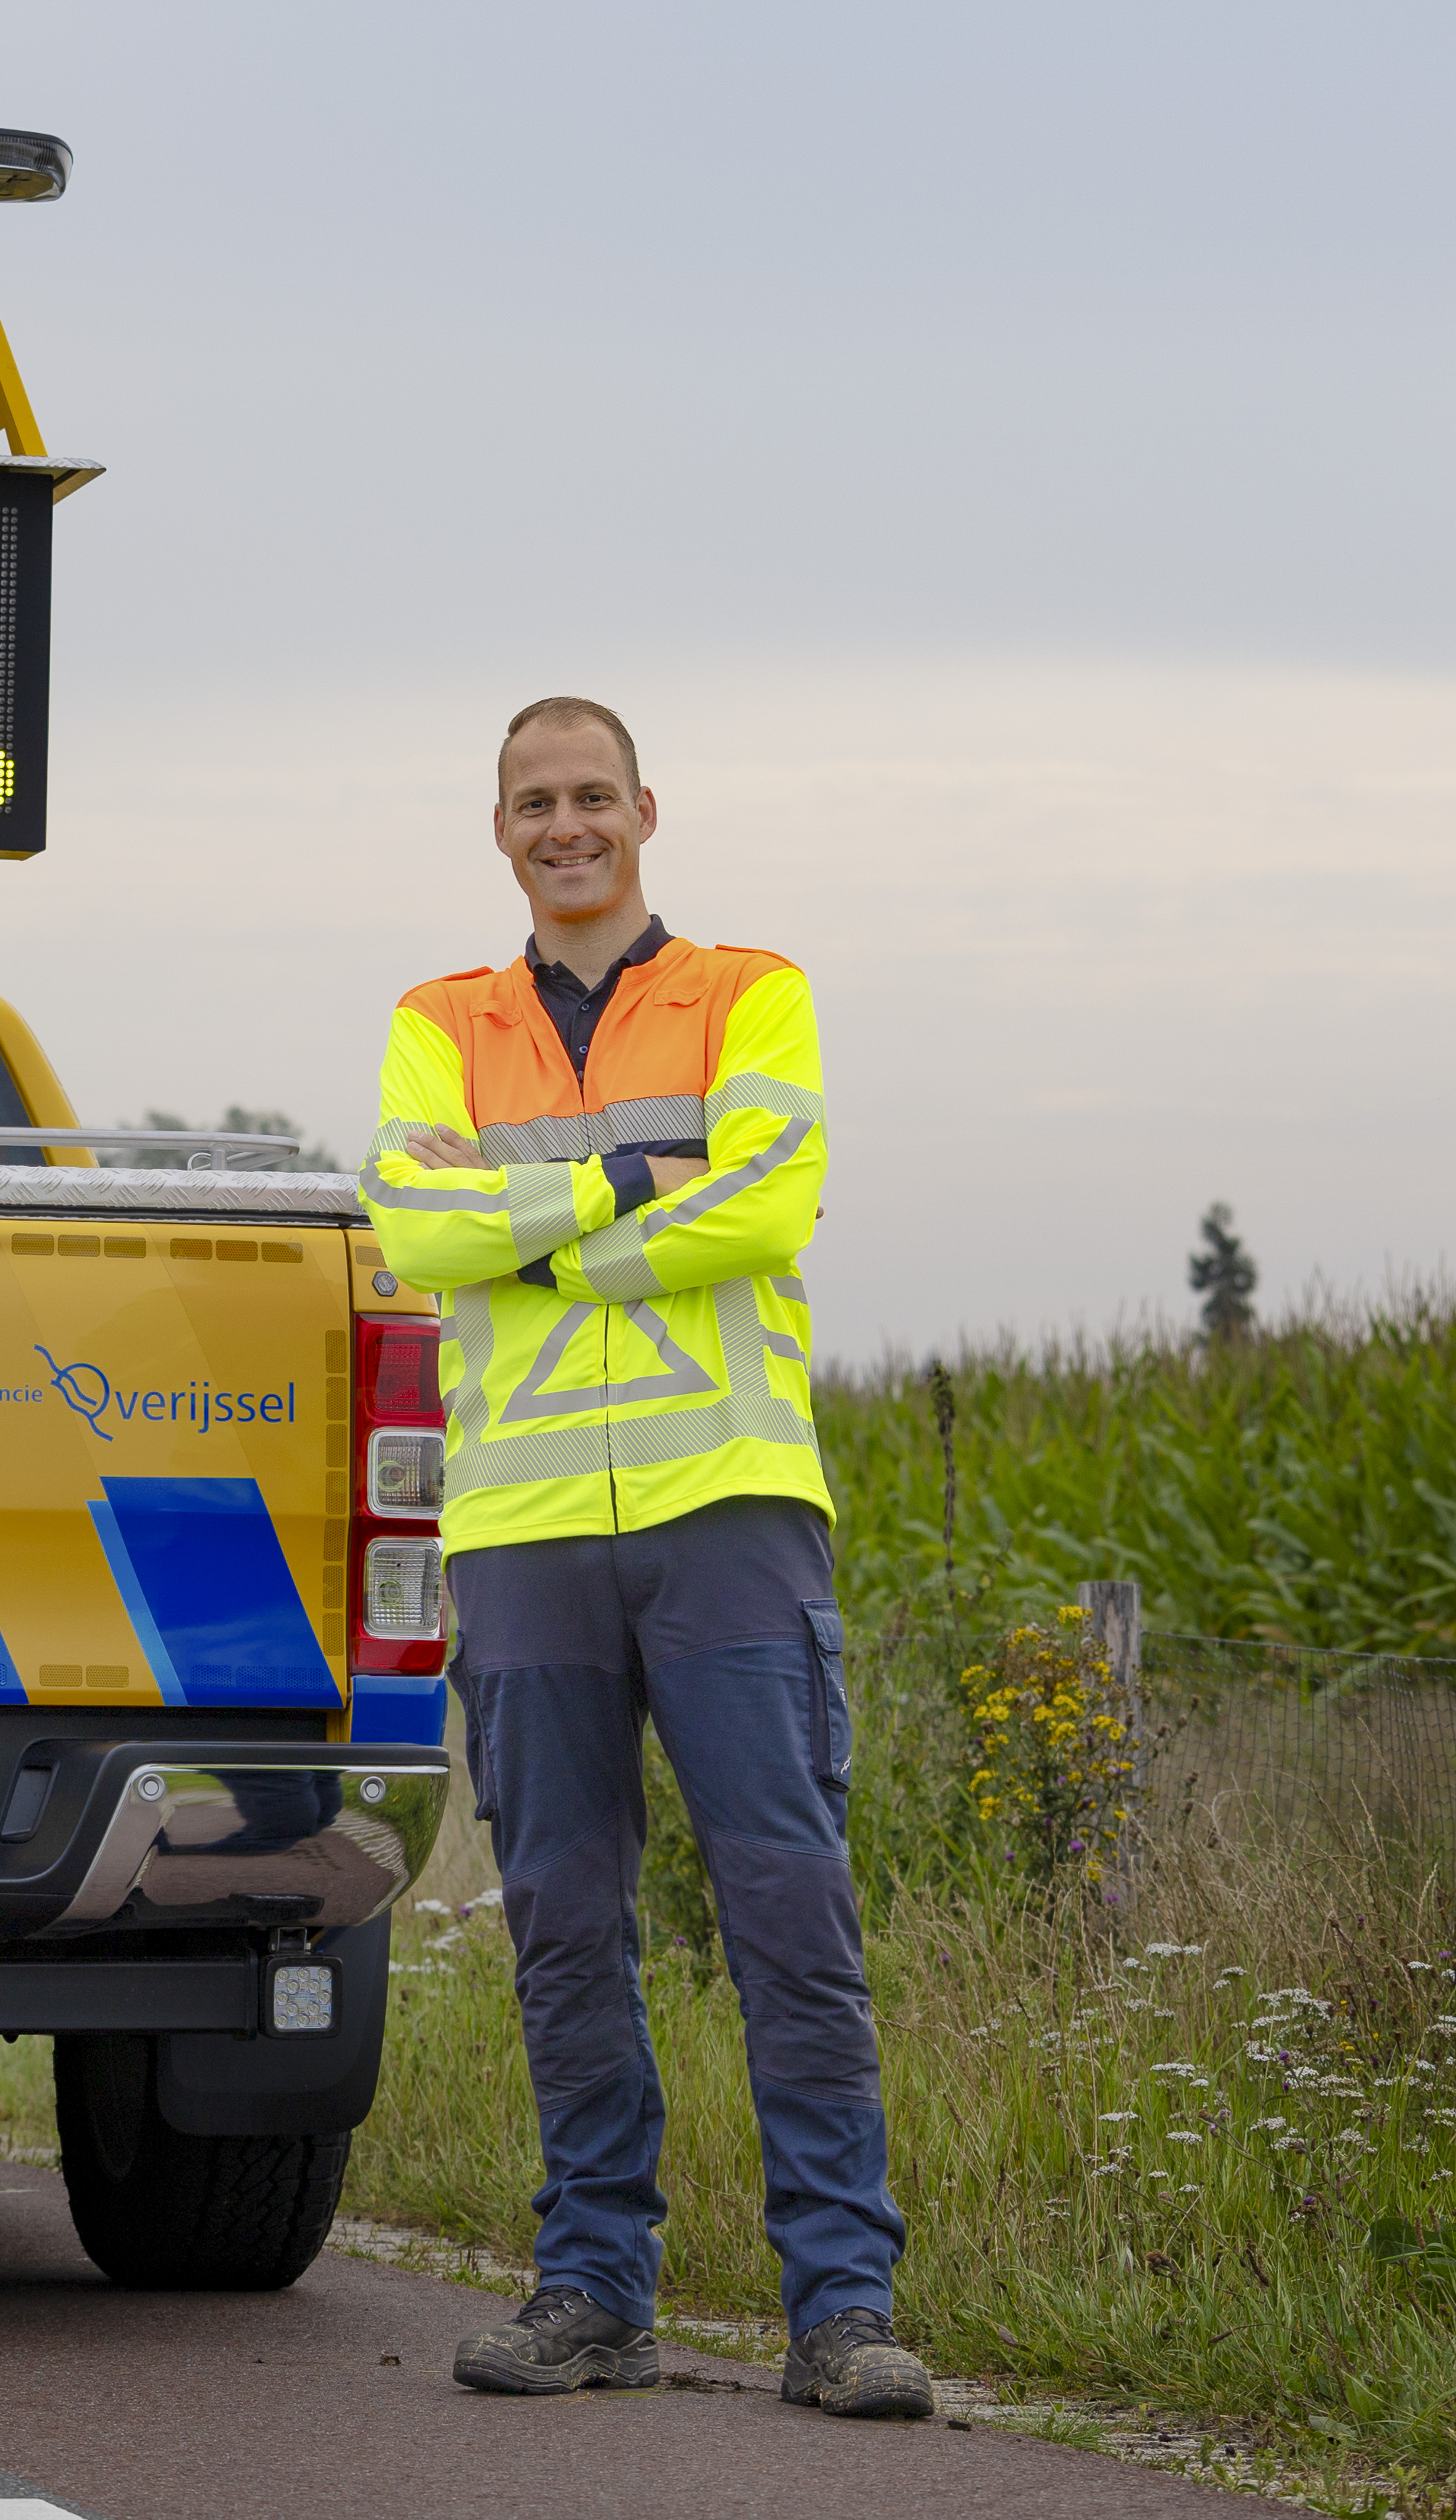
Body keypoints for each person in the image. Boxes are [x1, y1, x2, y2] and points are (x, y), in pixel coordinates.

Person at [362, 696, 929, 2417]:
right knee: (559, 1921)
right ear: (497, 829)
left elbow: (768, 1199)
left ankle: (839, 2308)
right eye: (533, 801)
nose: (565, 825)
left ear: (645, 810)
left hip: (728, 1507)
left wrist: (537, 1234)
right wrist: (629, 1191)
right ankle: (593, 2286)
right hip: (526, 1530)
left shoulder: (749, 989)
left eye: (590, 795)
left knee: (787, 1909)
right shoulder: (433, 1020)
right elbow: (406, 1225)